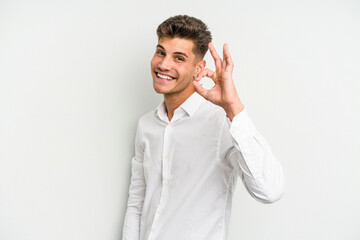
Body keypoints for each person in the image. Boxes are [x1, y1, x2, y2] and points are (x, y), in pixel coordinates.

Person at [122, 15, 284, 240]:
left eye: (178, 58)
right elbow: (137, 203)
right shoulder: (146, 125)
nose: (163, 64)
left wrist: (233, 106)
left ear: (199, 69)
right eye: (161, 52)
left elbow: (270, 190)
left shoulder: (222, 122)